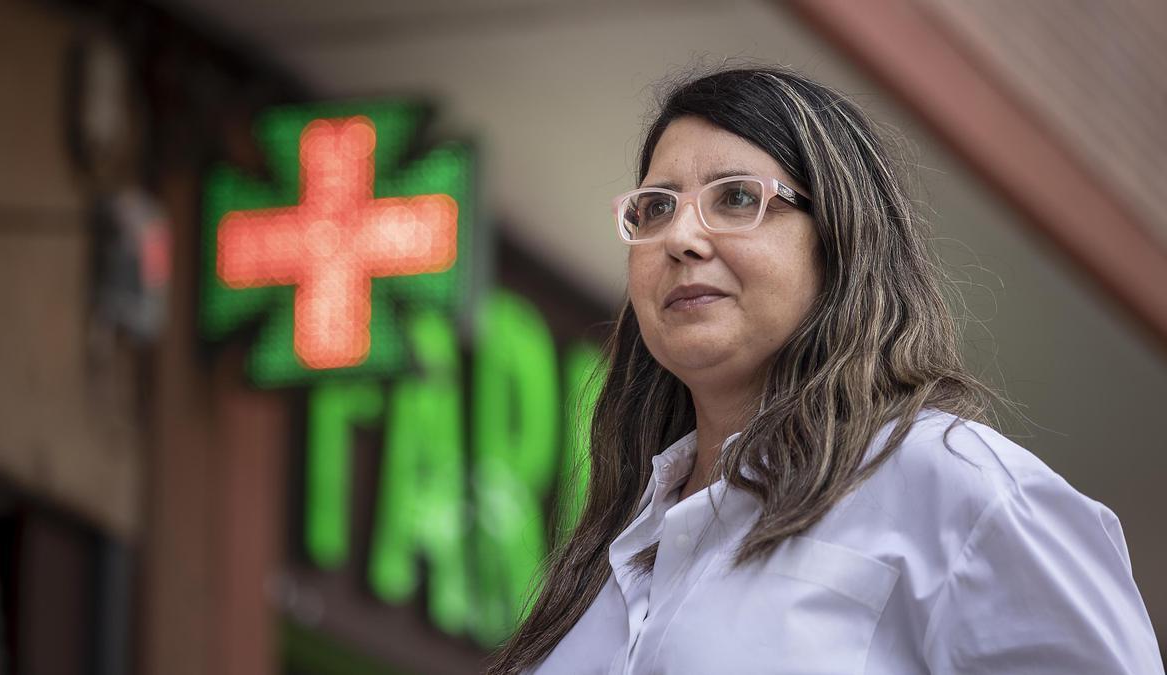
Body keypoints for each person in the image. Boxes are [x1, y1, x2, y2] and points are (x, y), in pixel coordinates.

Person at [486, 66, 1163, 674]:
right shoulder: (616, 547)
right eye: (656, 207)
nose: (682, 239)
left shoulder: (955, 488)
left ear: (840, 238)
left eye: (735, 197)